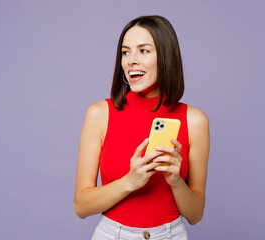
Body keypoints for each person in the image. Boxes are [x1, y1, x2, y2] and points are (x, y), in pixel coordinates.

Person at [74, 15, 210, 240]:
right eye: (125, 52)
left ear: (166, 57)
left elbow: (195, 215)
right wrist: (130, 181)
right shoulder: (99, 114)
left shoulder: (195, 120)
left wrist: (176, 181)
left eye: (143, 51)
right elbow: (81, 206)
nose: (131, 60)